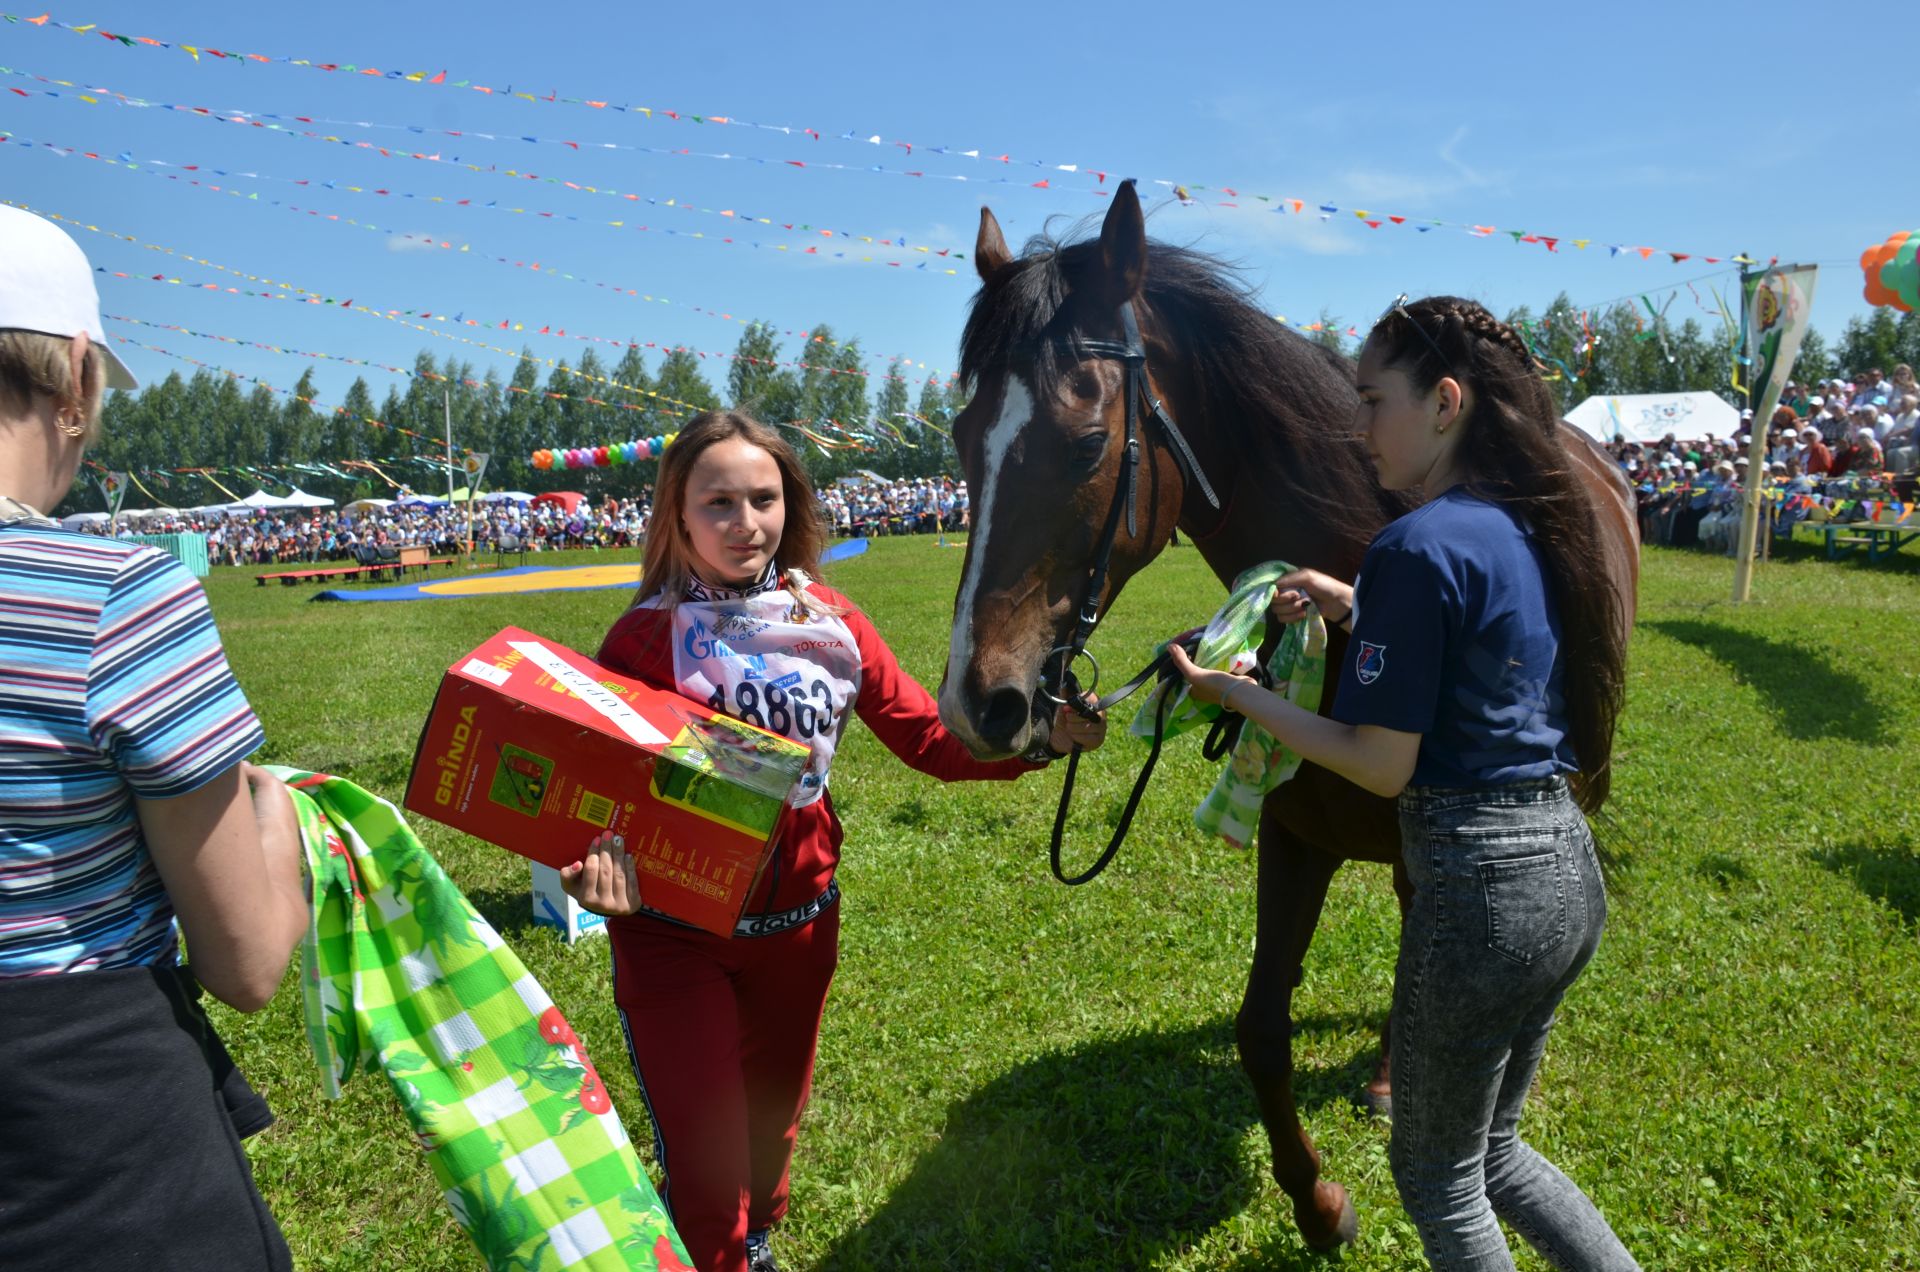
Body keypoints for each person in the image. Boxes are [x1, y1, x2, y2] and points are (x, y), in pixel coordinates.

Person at [557, 409, 1107, 1272]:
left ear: (791, 503)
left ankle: (760, 1236)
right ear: (679, 515)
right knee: (707, 1166)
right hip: (673, 936)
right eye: (720, 503)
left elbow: (929, 740)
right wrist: (593, 871)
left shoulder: (835, 621)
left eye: (764, 499)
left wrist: (1043, 741)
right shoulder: (640, 637)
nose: (746, 523)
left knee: (770, 1134)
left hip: (798, 929)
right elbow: (599, 788)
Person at [1169, 295, 1637, 1270]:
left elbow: (1381, 763)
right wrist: (1353, 601)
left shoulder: (1415, 545)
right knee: (1497, 1153)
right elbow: (1470, 636)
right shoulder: (1521, 524)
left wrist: (1233, 694)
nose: (1356, 425)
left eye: (1373, 399)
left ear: (1445, 403)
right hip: (1564, 873)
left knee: (1438, 1181)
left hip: (1479, 894)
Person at [0, 205, 308, 1271]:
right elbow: (251, 960)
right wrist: (274, 818)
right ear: (76, 381)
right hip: (94, 1136)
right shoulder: (115, 598)